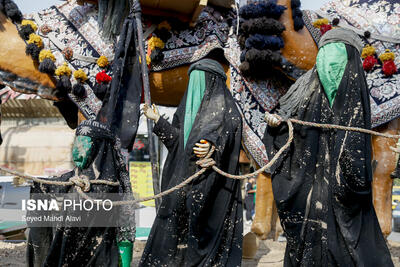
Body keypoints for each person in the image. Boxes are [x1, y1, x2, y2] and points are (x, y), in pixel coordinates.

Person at [263, 28, 393, 266]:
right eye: (324, 55)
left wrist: (347, 174)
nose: (329, 65)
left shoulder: (354, 92)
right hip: (310, 192)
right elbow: (286, 130)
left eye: (336, 58)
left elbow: (357, 156)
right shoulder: (304, 92)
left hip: (346, 197)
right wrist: (277, 126)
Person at [140, 59, 243, 266]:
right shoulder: (185, 109)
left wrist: (214, 147)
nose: (195, 87)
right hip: (182, 187)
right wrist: (158, 120)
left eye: (200, 80)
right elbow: (178, 144)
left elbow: (230, 133)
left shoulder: (227, 109)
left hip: (211, 189)